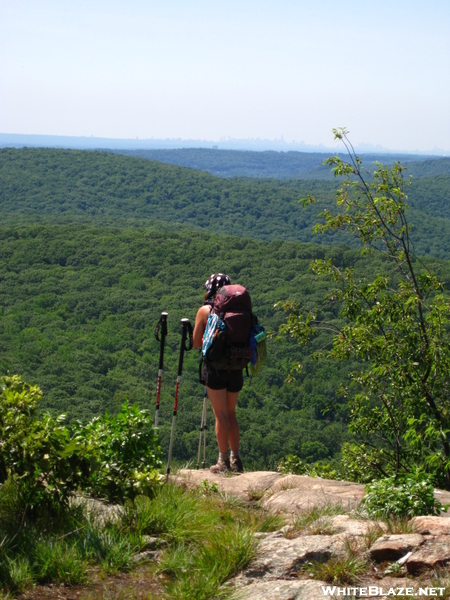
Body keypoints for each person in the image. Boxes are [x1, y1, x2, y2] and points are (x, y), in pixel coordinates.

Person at [193, 273, 244, 474]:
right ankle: (236, 459)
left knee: (220, 414)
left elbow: (196, 343)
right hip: (238, 365)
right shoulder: (238, 310)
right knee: (231, 413)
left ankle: (223, 461)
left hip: (215, 369)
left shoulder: (205, 310)